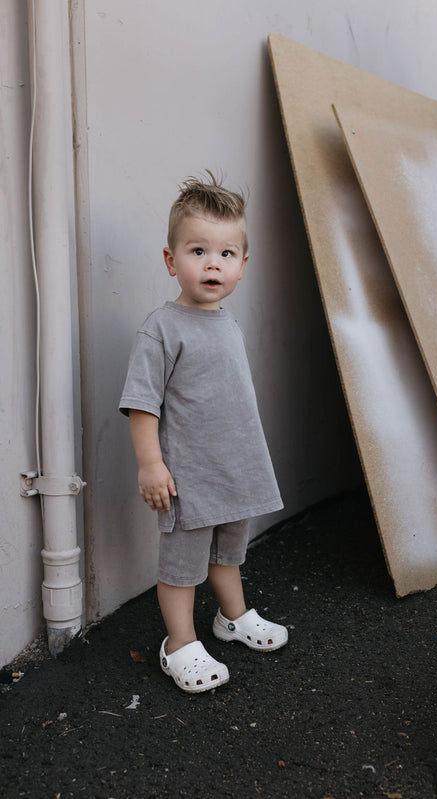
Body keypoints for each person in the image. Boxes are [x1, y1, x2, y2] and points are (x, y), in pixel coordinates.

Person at [119, 172, 287, 693]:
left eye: (226, 253)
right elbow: (143, 404)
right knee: (182, 565)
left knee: (228, 553)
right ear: (172, 261)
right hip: (187, 477)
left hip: (234, 470)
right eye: (197, 250)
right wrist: (152, 464)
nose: (212, 263)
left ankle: (232, 618)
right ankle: (180, 643)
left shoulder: (228, 322)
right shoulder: (162, 328)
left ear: (242, 266)